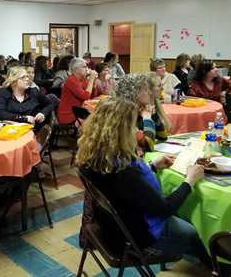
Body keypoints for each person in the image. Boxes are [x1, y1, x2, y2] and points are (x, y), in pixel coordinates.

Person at [77, 97, 211, 269]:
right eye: (132, 126)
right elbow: (165, 209)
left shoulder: (97, 157)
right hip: (138, 238)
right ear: (121, 130)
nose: (135, 131)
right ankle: (218, 269)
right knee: (200, 234)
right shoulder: (123, 172)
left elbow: (121, 188)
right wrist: (190, 180)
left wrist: (152, 165)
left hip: (114, 229)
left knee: (187, 218)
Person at [115, 73, 157, 153]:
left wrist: (152, 113)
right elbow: (148, 145)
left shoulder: (138, 110)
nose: (150, 92)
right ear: (134, 94)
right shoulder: (124, 115)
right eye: (145, 89)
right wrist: (147, 118)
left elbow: (162, 136)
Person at [57, 58, 97, 125]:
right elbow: (86, 97)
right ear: (76, 70)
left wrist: (94, 83)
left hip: (78, 112)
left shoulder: (82, 79)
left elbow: (92, 95)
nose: (86, 69)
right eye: (84, 67)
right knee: (95, 119)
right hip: (68, 115)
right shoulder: (71, 81)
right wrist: (91, 81)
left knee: (97, 115)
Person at [145, 72, 171, 140]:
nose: (162, 88)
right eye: (159, 86)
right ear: (149, 89)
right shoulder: (143, 111)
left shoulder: (156, 106)